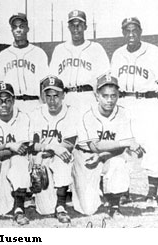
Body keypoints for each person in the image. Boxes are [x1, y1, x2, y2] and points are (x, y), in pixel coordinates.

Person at [72, 73, 145, 217]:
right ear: (96, 96)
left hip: (108, 156)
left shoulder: (123, 113)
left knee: (119, 164)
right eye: (105, 95)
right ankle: (93, 187)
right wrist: (127, 143)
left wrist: (103, 156)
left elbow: (121, 148)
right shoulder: (87, 114)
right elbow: (95, 146)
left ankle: (114, 205)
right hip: (85, 157)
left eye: (113, 95)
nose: (109, 100)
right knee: (88, 209)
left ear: (118, 95)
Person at [110, 17, 158, 210]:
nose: (131, 34)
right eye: (127, 31)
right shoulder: (118, 54)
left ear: (140, 31)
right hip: (124, 102)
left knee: (152, 145)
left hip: (148, 101)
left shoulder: (153, 52)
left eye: (134, 30)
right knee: (124, 146)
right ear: (123, 33)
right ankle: (123, 192)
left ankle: (152, 192)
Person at [0, 82, 33, 225]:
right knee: (0, 210)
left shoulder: (23, 117)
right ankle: (7, 196)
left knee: (20, 161)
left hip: (15, 160)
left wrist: (0, 152)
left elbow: (22, 148)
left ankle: (19, 208)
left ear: (13, 100)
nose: (4, 104)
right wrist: (8, 145)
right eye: (0, 100)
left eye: (8, 100)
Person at [29, 76, 78, 223]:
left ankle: (61, 206)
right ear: (43, 97)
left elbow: (69, 144)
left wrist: (54, 150)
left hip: (59, 156)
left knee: (63, 157)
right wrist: (50, 148)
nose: (52, 100)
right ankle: (40, 199)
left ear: (63, 95)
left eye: (56, 95)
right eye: (48, 96)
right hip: (41, 158)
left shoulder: (71, 112)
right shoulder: (36, 113)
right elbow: (31, 145)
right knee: (45, 210)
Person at [49, 10, 110, 113]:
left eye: (79, 25)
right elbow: (52, 78)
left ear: (85, 26)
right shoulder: (59, 50)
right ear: (68, 27)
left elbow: (104, 79)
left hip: (87, 97)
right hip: (65, 98)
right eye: (72, 25)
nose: (76, 29)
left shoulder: (96, 48)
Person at [0, 13, 48, 113]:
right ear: (11, 30)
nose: (18, 30)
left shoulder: (38, 53)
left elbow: (44, 85)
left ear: (27, 28)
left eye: (21, 26)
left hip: (34, 103)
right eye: (15, 27)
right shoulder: (3, 55)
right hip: (12, 104)